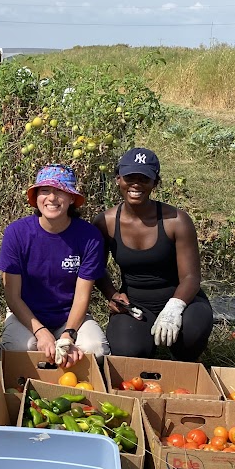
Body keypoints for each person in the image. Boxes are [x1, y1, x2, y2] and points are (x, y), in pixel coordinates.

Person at [93, 147, 214, 362]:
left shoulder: (176, 220)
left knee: (192, 334)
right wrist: (112, 294)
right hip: (136, 304)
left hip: (182, 298)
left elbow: (191, 277)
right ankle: (147, 344)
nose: (136, 185)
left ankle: (183, 359)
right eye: (130, 177)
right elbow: (96, 268)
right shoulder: (106, 222)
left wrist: (174, 308)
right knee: (129, 353)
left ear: (155, 183)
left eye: (144, 179)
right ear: (118, 179)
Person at [0, 164, 109, 366]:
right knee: (19, 349)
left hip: (69, 316)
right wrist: (41, 332)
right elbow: (12, 296)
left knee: (96, 349)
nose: (51, 198)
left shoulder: (89, 236)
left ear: (72, 199)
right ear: (36, 197)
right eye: (45, 191)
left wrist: (69, 334)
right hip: (25, 315)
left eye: (60, 192)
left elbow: (82, 295)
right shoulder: (16, 233)